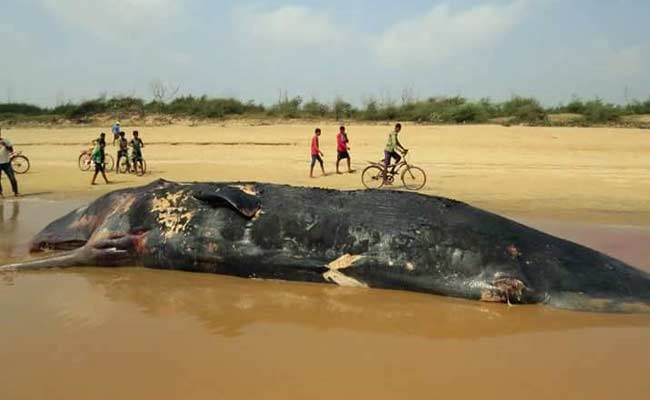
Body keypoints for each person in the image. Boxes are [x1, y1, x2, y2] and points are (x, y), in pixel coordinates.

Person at [0, 127, 20, 197]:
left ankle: (16, 192)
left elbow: (11, 150)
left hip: (6, 163)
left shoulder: (5, 141)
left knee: (12, 178)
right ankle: (1, 193)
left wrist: (5, 145)